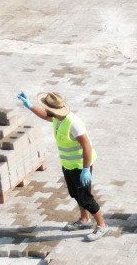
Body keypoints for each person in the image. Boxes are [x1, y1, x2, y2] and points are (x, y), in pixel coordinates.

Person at [20, 90, 106, 241]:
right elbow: (45, 116)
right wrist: (30, 106)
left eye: (47, 107)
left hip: (80, 166)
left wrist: (86, 169)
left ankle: (102, 225)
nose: (46, 110)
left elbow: (86, 146)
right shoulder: (57, 118)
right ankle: (84, 220)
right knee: (75, 194)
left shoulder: (74, 123)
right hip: (68, 164)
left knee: (86, 197)